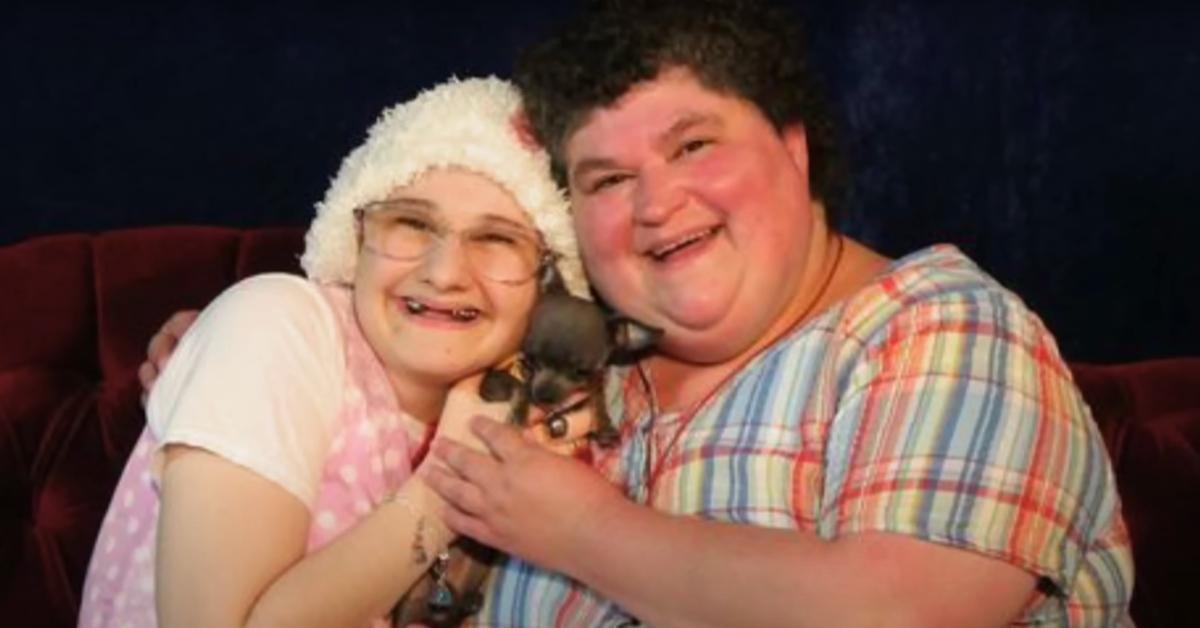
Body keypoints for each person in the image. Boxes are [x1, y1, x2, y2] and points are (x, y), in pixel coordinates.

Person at [141, 1, 1135, 625]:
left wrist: (581, 527)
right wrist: (243, 342)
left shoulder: (940, 328)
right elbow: (398, 341)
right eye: (607, 176)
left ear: (794, 147)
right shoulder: (580, 369)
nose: (657, 203)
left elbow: (896, 611)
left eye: (694, 147)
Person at [81, 76, 594, 627]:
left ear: (552, 280)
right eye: (411, 224)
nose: (444, 273)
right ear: (354, 238)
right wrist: (449, 486)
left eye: (497, 240)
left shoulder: (528, 424)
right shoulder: (277, 325)